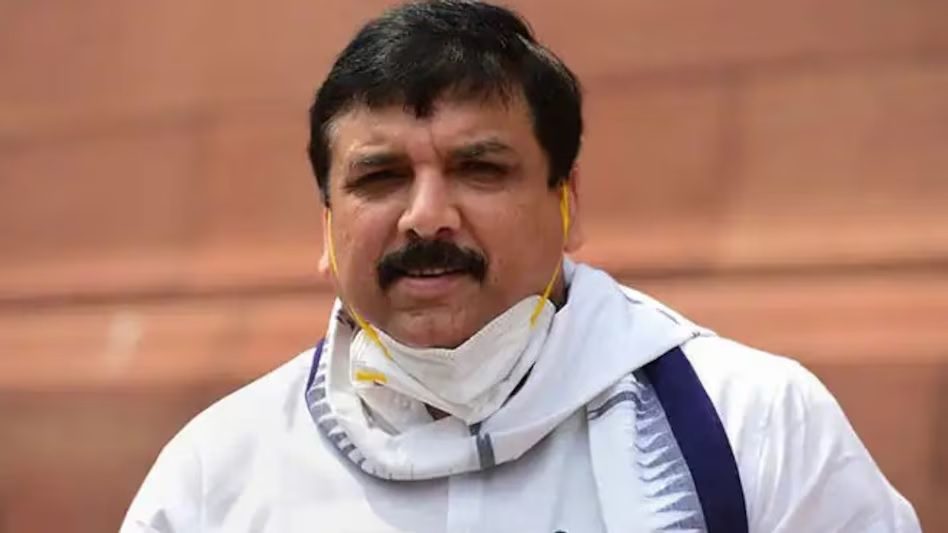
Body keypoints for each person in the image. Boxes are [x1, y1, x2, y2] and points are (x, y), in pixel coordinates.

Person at [121, 1, 921, 531]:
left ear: (567, 202)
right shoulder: (217, 473)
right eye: (380, 176)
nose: (426, 215)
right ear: (327, 225)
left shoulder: (752, 423)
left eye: (480, 168)